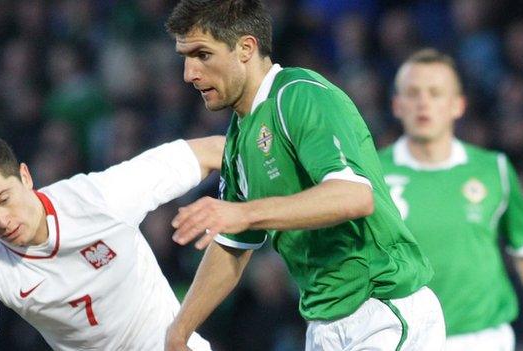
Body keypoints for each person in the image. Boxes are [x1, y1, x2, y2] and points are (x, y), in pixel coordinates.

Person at [164, 1, 445, 350]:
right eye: (185, 57)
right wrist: (178, 332)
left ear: (246, 48)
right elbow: (232, 245)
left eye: (202, 54)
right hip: (323, 324)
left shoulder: (298, 95)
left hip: (381, 307)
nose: (189, 73)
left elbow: (354, 196)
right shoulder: (239, 137)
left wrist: (244, 212)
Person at [0, 133, 223, 350]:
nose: (1, 220)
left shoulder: (100, 200)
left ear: (25, 177)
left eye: (4, 199)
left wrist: (250, 207)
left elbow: (212, 150)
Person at [379, 48, 523, 351]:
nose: (423, 103)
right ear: (396, 104)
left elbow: (522, 251)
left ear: (458, 105)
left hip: (485, 338)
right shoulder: (372, 175)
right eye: (412, 93)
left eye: (435, 93)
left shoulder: (493, 169)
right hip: (406, 340)